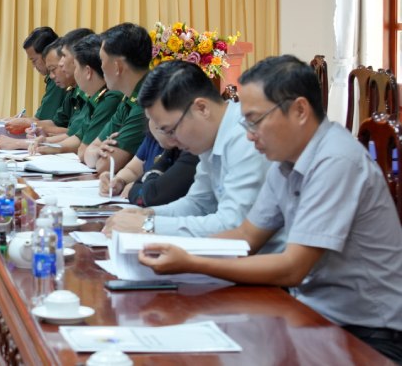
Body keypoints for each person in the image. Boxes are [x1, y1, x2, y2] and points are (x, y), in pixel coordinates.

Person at [138, 56, 402, 363]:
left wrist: (192, 262)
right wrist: (168, 247)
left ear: (300, 111)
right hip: (312, 313)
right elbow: (246, 235)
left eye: (255, 120)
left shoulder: (335, 160)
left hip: (368, 334)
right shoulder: (286, 161)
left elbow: (292, 268)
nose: (249, 134)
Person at [102, 60, 277, 251]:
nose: (171, 141)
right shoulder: (210, 138)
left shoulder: (245, 138)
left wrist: (149, 226)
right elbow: (198, 203)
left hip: (267, 266)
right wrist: (147, 215)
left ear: (202, 108)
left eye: (171, 130)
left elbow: (233, 226)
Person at [0, 29, 94, 149]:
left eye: (64, 57)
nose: (62, 65)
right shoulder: (74, 90)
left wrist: (24, 143)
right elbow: (67, 130)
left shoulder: (104, 96)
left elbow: (76, 137)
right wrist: (43, 137)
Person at [83, 23, 152, 172]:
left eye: (102, 60)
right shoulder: (127, 98)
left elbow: (105, 165)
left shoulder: (147, 101)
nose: (100, 67)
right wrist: (96, 152)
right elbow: (88, 152)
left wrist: (96, 154)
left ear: (117, 66)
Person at [98, 120, 199, 207]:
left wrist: (139, 186)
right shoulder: (152, 138)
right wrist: (119, 181)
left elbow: (154, 194)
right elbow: (132, 170)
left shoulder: (190, 148)